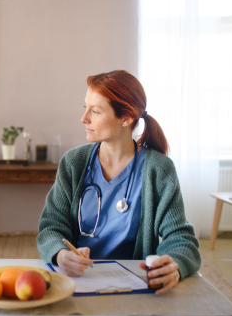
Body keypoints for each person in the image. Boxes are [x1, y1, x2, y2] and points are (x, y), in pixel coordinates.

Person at [37, 70, 200, 295]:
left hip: (134, 286)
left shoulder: (158, 169)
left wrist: (175, 264)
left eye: (94, 111)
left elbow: (180, 237)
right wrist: (61, 254)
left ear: (126, 117)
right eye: (85, 108)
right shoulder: (74, 163)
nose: (84, 118)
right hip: (77, 281)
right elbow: (50, 228)